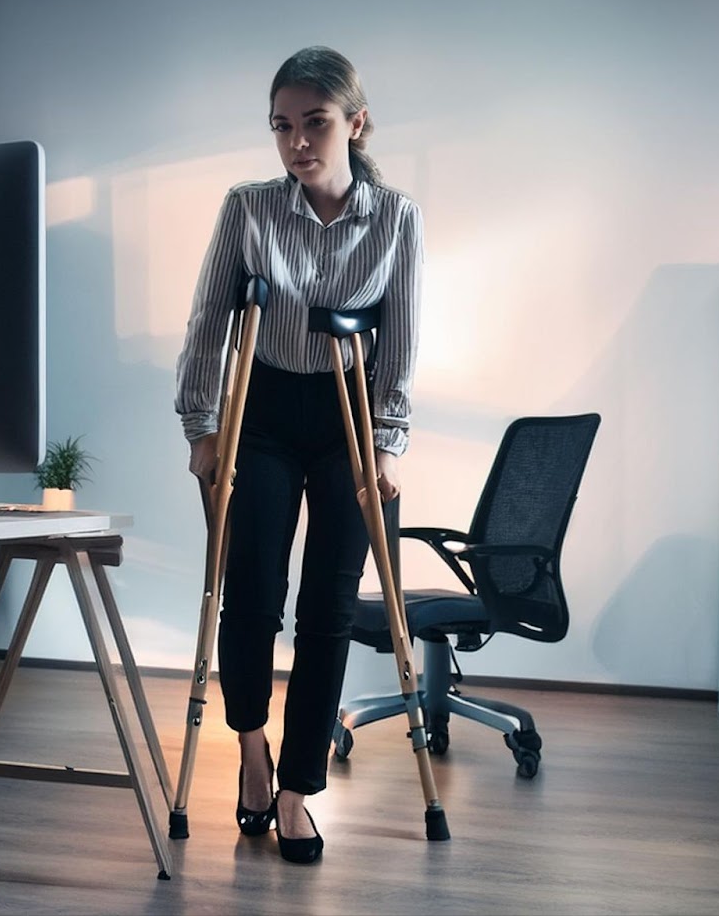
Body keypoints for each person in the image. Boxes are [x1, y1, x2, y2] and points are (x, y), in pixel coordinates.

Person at [174, 46, 424, 864]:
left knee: (329, 610)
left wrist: (384, 446)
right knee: (251, 591)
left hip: (349, 413)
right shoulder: (247, 209)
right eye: (282, 126)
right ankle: (251, 751)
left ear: (355, 123)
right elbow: (210, 321)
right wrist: (202, 428)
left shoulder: (396, 218)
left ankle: (296, 787)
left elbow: (404, 342)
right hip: (266, 409)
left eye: (314, 123)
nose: (297, 142)